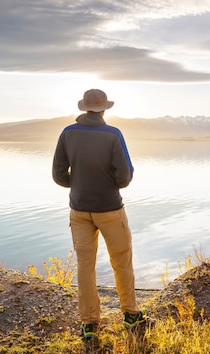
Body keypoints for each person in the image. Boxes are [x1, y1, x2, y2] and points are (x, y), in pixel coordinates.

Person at [52, 88, 147, 340]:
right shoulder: (113, 134)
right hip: (110, 210)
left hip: (79, 210)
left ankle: (90, 324)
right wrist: (106, 183)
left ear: (84, 108)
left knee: (85, 266)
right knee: (121, 261)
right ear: (104, 109)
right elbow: (124, 176)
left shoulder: (67, 133)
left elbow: (59, 175)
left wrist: (80, 183)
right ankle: (130, 315)